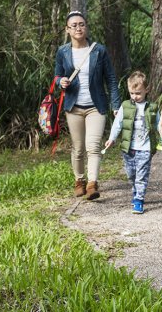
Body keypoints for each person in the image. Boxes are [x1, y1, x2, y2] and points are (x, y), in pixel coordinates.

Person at [55, 10, 121, 200]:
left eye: (81, 24)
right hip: (73, 107)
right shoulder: (63, 51)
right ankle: (79, 181)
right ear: (67, 29)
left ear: (86, 27)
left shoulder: (98, 50)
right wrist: (62, 82)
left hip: (96, 106)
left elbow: (110, 78)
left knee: (93, 146)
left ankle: (92, 184)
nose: (78, 27)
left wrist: (115, 104)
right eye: (74, 25)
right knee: (78, 148)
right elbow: (57, 75)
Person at [104, 71, 158, 214]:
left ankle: (139, 200)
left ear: (147, 90)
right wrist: (112, 138)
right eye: (132, 93)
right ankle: (135, 192)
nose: (135, 96)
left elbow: (159, 125)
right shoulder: (125, 106)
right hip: (128, 148)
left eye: (138, 93)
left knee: (141, 176)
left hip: (145, 148)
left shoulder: (152, 107)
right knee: (131, 175)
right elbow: (118, 124)